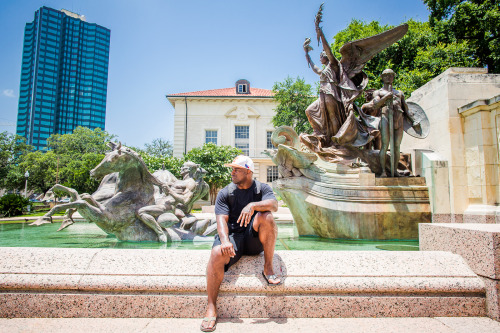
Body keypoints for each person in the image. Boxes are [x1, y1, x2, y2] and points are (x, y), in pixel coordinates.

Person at [200, 155, 280, 332]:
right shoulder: (226, 192)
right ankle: (211, 307)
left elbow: (274, 205)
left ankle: (268, 267)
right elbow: (221, 219)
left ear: (248, 172)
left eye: (237, 169)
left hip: (253, 238)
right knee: (215, 254)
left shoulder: (261, 188)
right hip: (234, 238)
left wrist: (253, 205)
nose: (232, 172)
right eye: (232, 168)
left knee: (266, 216)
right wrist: (225, 240)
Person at [368, 69, 419, 177]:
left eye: (391, 75)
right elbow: (376, 104)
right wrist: (386, 97)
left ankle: (394, 170)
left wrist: (413, 121)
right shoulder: (378, 92)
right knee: (385, 145)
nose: (389, 77)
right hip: (385, 118)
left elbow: (406, 109)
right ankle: (383, 171)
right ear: (382, 77)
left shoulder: (399, 93)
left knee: (396, 146)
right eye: (386, 75)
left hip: (398, 120)